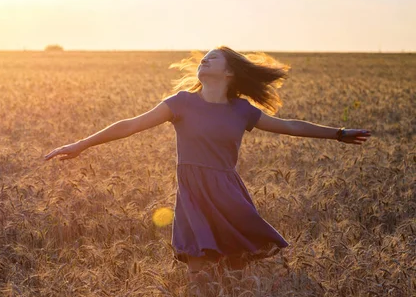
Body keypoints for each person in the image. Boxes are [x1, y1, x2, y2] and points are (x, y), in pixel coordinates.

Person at [44, 46, 371, 282]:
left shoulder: (242, 110)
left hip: (228, 192)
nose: (204, 60)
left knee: (238, 267)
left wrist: (339, 133)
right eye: (203, 58)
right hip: (193, 193)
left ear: (229, 72)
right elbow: (130, 124)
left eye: (212, 58)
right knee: (197, 265)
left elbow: (290, 126)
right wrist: (81, 144)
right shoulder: (181, 103)